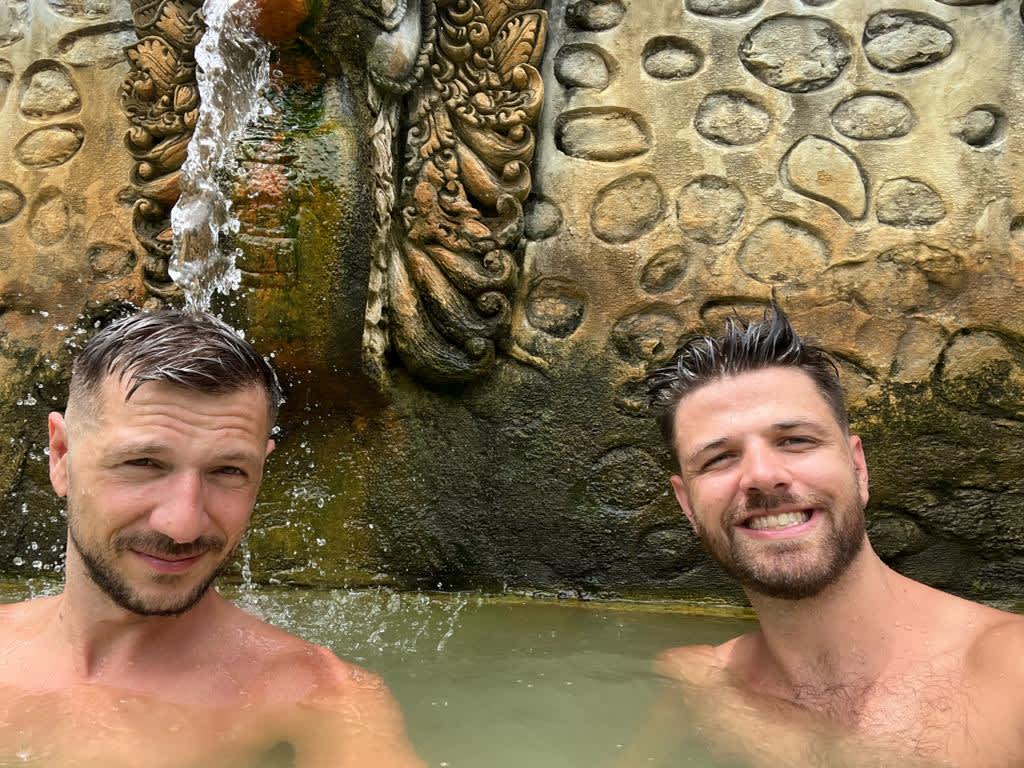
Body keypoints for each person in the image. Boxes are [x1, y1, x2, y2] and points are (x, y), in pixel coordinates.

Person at [0, 310, 424, 768]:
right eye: (143, 463)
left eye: (227, 471)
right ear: (61, 456)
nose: (182, 524)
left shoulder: (321, 698)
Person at [641, 306, 1024, 768]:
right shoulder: (701, 686)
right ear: (686, 504)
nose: (762, 476)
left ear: (858, 468)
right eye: (719, 458)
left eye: (795, 440)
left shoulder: (1012, 674)